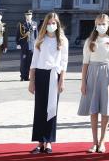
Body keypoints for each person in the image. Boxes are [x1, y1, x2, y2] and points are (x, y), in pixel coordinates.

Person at [78, 14, 109, 153]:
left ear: (108, 24)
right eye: (98, 23)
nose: (101, 26)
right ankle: (94, 142)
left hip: (106, 73)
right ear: (95, 25)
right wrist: (83, 82)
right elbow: (85, 62)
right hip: (92, 73)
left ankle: (103, 141)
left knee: (105, 109)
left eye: (103, 23)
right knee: (93, 110)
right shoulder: (90, 41)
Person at [28, 12, 68, 154]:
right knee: (40, 108)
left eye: (54, 23)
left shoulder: (63, 41)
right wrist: (31, 81)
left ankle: (49, 141)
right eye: (49, 23)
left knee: (52, 107)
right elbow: (34, 61)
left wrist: (61, 80)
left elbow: (64, 63)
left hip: (54, 75)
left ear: (57, 24)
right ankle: (40, 142)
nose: (51, 25)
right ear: (45, 24)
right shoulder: (40, 39)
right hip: (41, 74)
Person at [17, 10, 39, 81]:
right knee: (23, 62)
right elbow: (18, 34)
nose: (28, 16)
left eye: (29, 15)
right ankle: (23, 76)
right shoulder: (21, 24)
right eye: (27, 15)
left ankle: (29, 76)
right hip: (24, 46)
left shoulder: (34, 24)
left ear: (31, 16)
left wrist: (37, 44)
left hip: (32, 46)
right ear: (25, 16)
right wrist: (18, 43)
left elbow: (36, 35)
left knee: (30, 62)